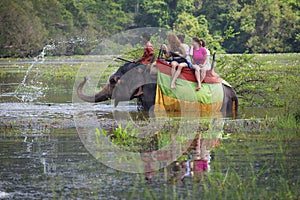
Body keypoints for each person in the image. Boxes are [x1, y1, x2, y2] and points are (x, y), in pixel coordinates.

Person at [133, 32, 155, 96]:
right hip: (144, 62)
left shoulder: (149, 46)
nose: (142, 39)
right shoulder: (146, 45)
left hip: (146, 63)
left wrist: (149, 63)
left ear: (145, 38)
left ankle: (140, 90)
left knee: (139, 72)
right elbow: (144, 57)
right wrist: (137, 60)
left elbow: (152, 54)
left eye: (142, 38)